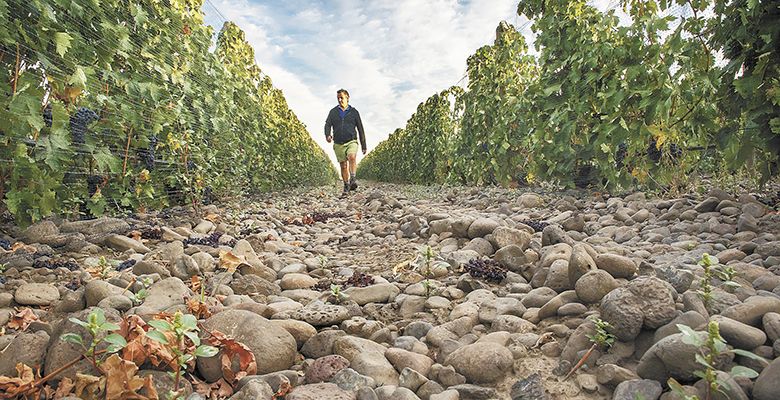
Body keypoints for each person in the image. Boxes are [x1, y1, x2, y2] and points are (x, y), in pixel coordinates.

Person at [325, 89, 367, 195]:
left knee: (352, 157)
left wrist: (363, 145)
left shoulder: (354, 112)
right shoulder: (333, 112)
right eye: (338, 98)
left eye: (341, 97)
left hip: (351, 141)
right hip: (338, 143)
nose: (339, 100)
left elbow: (360, 128)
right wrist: (327, 135)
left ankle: (352, 179)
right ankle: (346, 185)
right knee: (343, 165)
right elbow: (327, 124)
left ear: (347, 98)